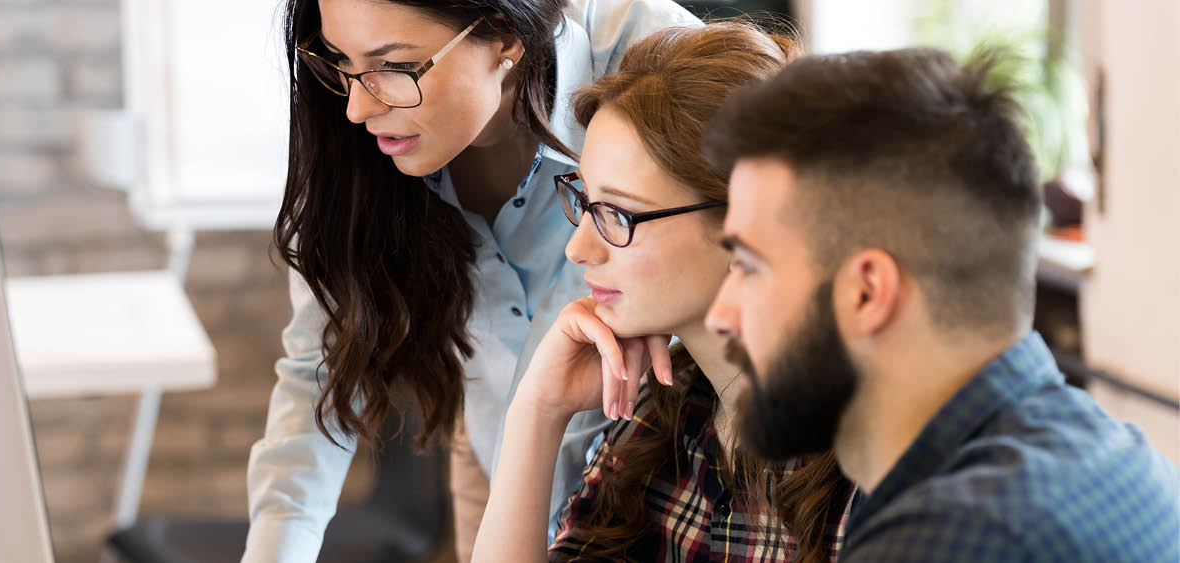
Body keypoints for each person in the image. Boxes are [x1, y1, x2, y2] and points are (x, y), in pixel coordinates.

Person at [244, 1, 699, 561]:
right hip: (493, 448)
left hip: (663, 460)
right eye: (339, 60)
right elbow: (316, 373)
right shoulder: (356, 142)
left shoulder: (658, 63)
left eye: (394, 66)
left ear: (505, 34)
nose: (357, 108)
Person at [702, 47, 1180, 561]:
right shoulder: (1127, 459)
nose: (719, 316)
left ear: (867, 293)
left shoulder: (946, 539)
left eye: (748, 267)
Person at [473, 23, 855, 563]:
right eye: (585, 201)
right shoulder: (668, 414)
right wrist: (537, 411)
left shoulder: (885, 454)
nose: (578, 249)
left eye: (619, 214)